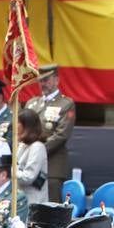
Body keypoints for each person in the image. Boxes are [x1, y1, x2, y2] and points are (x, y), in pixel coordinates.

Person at [28, 66, 76, 199]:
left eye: (46, 80)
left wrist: (38, 151)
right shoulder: (32, 103)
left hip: (52, 166)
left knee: (50, 208)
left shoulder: (65, 104)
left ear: (56, 80)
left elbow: (62, 134)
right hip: (30, 166)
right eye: (40, 81)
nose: (42, 84)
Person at [15, 109, 49, 206]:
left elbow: (28, 177)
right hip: (21, 199)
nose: (15, 125)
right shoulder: (22, 145)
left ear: (26, 126)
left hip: (33, 201)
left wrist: (9, 171)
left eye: (18, 122)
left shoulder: (37, 147)